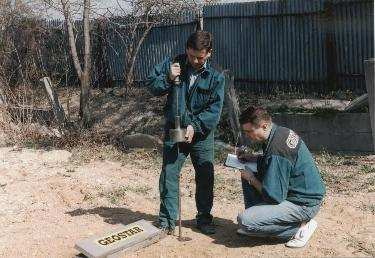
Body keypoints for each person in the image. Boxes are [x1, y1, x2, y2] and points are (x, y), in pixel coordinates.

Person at [146, 31, 225, 235]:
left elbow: (214, 112)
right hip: (175, 129)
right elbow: (151, 86)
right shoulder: (174, 63)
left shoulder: (216, 76)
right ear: (186, 50)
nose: (195, 61)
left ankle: (204, 219)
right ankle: (167, 221)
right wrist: (168, 77)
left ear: (209, 53)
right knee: (169, 174)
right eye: (191, 56)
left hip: (201, 135)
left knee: (205, 176)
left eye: (200, 57)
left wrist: (195, 126)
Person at [236, 106, 326, 248]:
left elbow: (274, 196)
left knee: (245, 221)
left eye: (249, 131)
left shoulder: (277, 148)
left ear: (264, 126)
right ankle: (262, 217)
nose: (247, 135)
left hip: (303, 204)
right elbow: (271, 161)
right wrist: (252, 158)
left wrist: (252, 179)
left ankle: (300, 228)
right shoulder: (279, 132)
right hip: (303, 194)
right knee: (248, 171)